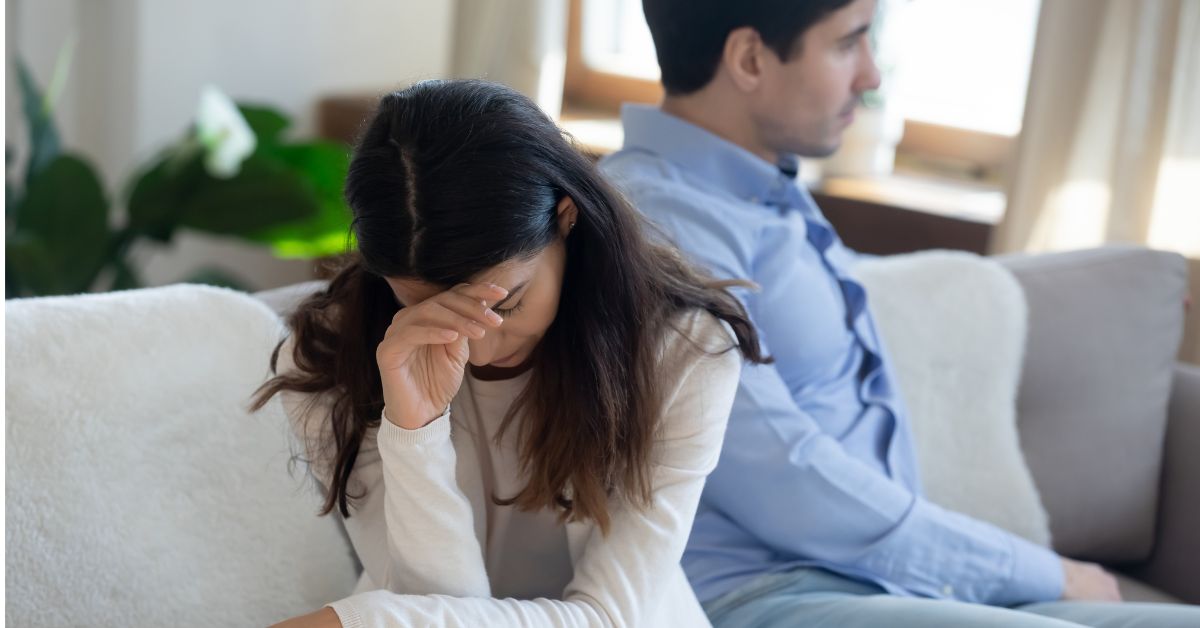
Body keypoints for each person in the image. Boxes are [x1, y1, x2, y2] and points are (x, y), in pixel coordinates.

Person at [599, 1, 1200, 626]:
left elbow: (863, 295)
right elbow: (789, 481)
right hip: (769, 596)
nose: (871, 76)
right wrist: (1044, 572)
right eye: (848, 44)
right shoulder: (659, 223)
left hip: (882, 589)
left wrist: (1097, 315)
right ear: (750, 59)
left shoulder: (758, 190)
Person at [251, 79, 766, 627]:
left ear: (566, 218)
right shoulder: (328, 362)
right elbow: (432, 600)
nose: (474, 349)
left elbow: (608, 618)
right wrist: (415, 429)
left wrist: (366, 621)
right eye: (424, 310)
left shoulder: (684, 354)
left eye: (507, 305)